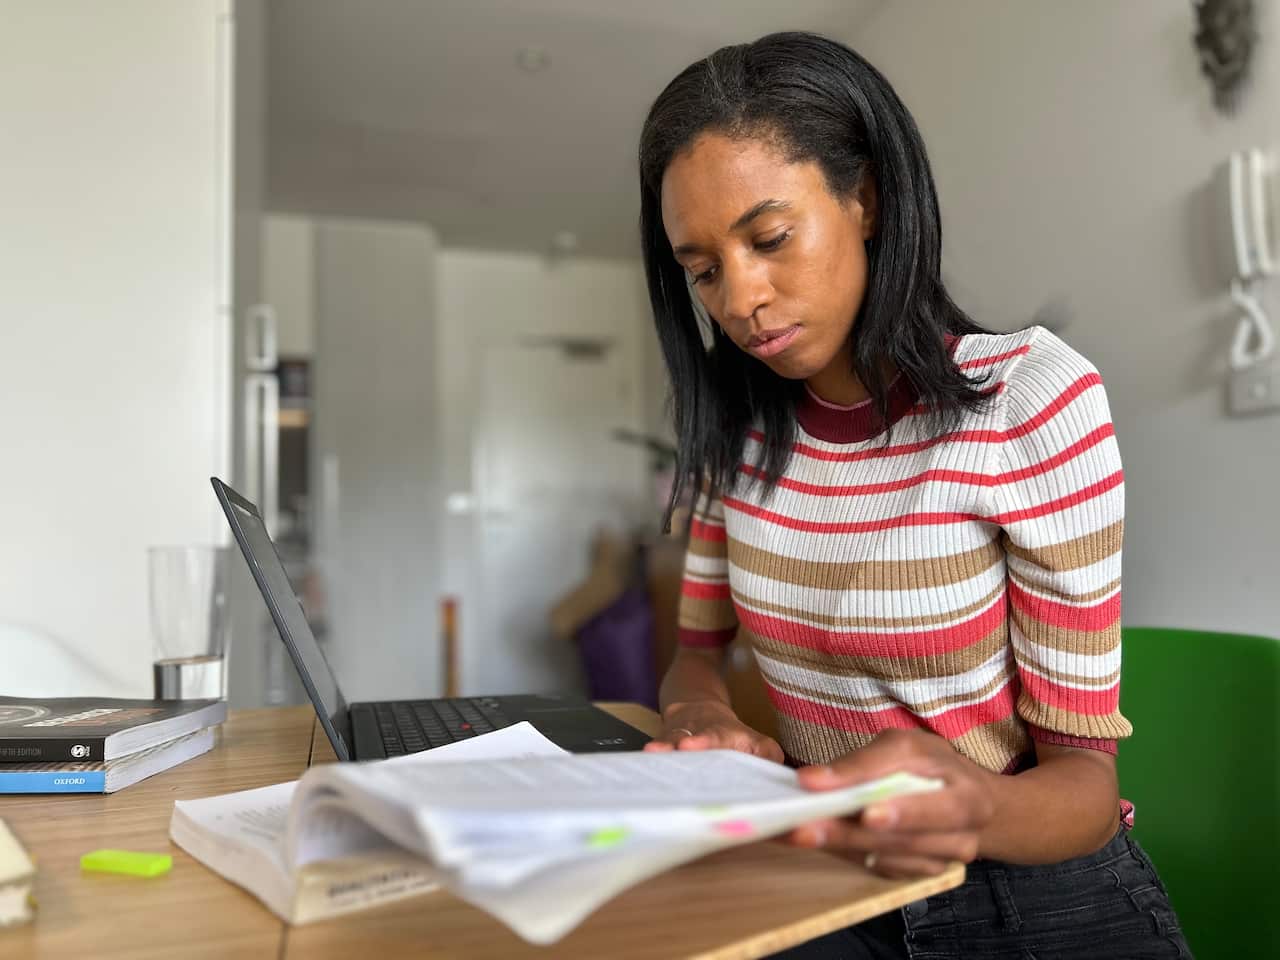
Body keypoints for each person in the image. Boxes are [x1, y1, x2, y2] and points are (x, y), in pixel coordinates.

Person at [636, 31, 1190, 959]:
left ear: (866, 199)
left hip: (1032, 893)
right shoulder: (738, 436)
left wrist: (975, 804)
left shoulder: (1029, 402)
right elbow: (696, 657)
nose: (739, 299)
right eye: (703, 269)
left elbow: (1087, 790)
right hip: (832, 877)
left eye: (769, 239)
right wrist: (702, 716)